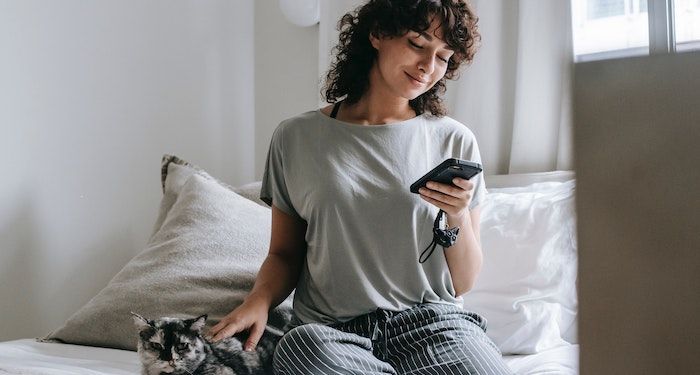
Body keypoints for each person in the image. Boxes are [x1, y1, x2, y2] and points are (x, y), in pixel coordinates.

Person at [208, 0, 514, 373]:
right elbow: (285, 254)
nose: (428, 67)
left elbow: (463, 282)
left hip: (434, 327)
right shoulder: (295, 138)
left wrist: (456, 215)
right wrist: (258, 300)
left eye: (443, 57)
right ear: (377, 34)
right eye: (417, 44)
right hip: (330, 334)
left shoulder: (454, 140)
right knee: (299, 351)